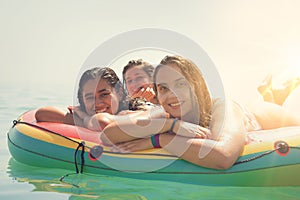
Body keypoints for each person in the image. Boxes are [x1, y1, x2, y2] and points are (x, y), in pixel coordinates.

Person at [100, 55, 300, 170]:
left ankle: (272, 94)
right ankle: (269, 93)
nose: (172, 96)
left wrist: (161, 140)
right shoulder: (167, 114)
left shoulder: (223, 107)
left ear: (196, 85)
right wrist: (171, 126)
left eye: (180, 84)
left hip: (260, 117)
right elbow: (108, 135)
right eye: (163, 88)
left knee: (275, 109)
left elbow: (224, 157)